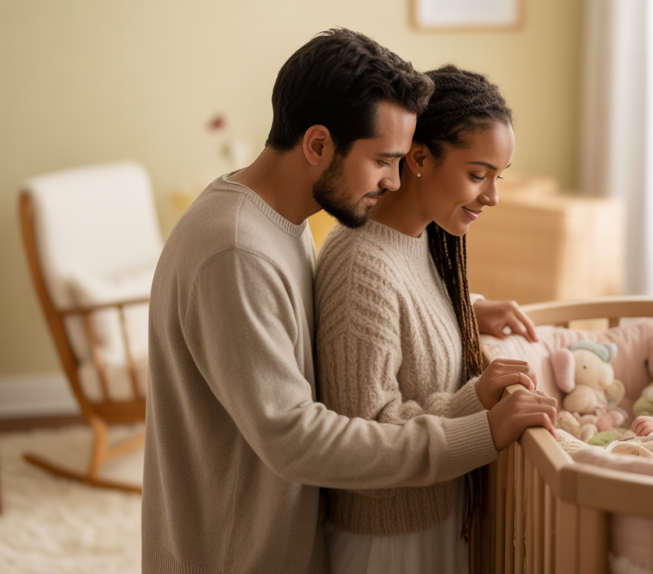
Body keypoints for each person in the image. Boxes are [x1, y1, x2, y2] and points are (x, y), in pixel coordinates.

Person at [142, 29, 556, 574]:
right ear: (318, 145)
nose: (393, 180)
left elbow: (319, 324)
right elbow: (296, 438)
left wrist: (459, 310)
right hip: (236, 553)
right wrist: (479, 433)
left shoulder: (281, 219)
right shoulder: (237, 250)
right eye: (385, 160)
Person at [314, 64, 537, 574]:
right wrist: (476, 402)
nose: (492, 196)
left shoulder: (424, 238)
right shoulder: (359, 266)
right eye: (478, 175)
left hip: (434, 511)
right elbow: (365, 435)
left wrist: (470, 309)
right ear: (418, 157)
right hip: (388, 538)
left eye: (497, 177)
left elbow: (405, 308)